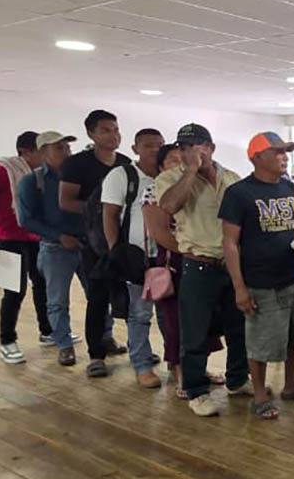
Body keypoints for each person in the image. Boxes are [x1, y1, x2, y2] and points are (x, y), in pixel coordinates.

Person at [220, 132, 294, 420]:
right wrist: (239, 287)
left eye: (285, 151)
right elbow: (230, 243)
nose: (283, 157)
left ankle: (290, 386)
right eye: (277, 152)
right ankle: (260, 396)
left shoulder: (291, 188)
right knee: (261, 342)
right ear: (256, 157)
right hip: (261, 281)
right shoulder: (239, 193)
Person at [156, 123, 251, 417]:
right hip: (198, 265)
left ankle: (237, 379)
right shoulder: (170, 178)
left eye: (195, 147)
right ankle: (196, 391)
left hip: (232, 264)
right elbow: (169, 206)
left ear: (210, 148)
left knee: (238, 328)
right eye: (183, 148)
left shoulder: (231, 178)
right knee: (194, 332)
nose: (189, 153)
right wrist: (190, 172)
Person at [142, 144, 226, 397]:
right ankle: (182, 376)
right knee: (178, 323)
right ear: (161, 166)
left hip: (208, 260)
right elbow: (161, 234)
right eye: (173, 160)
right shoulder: (154, 190)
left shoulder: (202, 186)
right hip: (177, 263)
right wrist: (193, 249)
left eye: (185, 159)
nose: (181, 164)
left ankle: (199, 370)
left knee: (205, 322)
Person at [58, 109, 130, 377]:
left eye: (115, 129)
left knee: (129, 298)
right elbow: (66, 201)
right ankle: (96, 356)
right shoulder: (77, 164)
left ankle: (137, 349)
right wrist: (103, 211)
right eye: (106, 130)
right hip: (94, 243)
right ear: (91, 134)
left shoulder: (124, 164)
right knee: (98, 298)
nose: (114, 135)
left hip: (123, 241)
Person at [0, 131, 53, 363]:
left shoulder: (40, 173)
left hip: (35, 237)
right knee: (15, 291)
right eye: (41, 151)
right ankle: (7, 341)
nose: (46, 155)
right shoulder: (2, 170)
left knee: (42, 285)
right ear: (25, 152)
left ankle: (47, 331)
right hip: (9, 237)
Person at [16, 132, 86, 368]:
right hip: (55, 248)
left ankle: (105, 339)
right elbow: (26, 219)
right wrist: (60, 236)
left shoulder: (78, 177)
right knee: (57, 300)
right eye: (60, 148)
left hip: (86, 244)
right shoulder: (32, 182)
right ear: (44, 153)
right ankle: (64, 345)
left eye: (68, 147)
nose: (67, 152)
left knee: (98, 295)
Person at [101, 128, 163, 387]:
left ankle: (179, 364)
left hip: (168, 257)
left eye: (159, 145)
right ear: (135, 149)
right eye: (148, 145)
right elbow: (110, 214)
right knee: (139, 313)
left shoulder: (170, 176)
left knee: (172, 315)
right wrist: (117, 253)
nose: (155, 150)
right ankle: (142, 365)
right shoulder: (122, 176)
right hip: (137, 260)